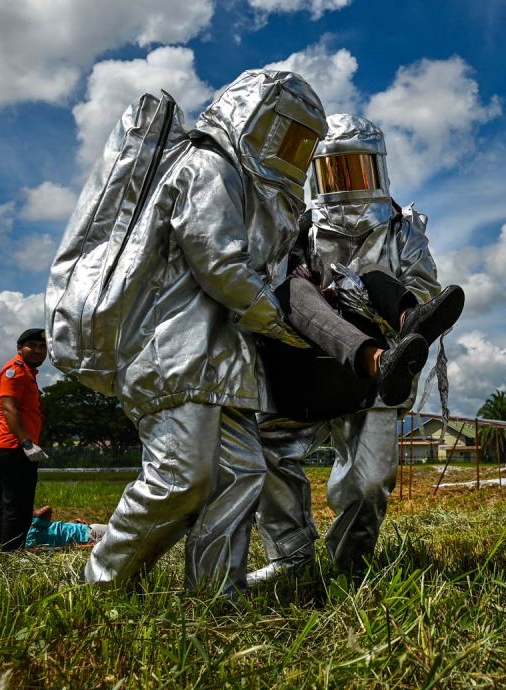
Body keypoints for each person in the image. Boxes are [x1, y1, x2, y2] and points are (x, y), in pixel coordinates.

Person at [82, 69, 331, 594]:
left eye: (300, 142)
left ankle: (216, 595)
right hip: (176, 356)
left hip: (229, 368)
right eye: (283, 132)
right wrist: (282, 323)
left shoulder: (254, 193)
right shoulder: (208, 165)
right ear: (253, 115)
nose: (289, 150)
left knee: (241, 478)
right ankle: (102, 586)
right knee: (180, 478)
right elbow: (219, 263)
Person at [249, 114, 464, 586]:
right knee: (263, 450)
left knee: (369, 484)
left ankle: (351, 568)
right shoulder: (299, 227)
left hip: (381, 374)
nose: (348, 183)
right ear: (316, 175)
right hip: (309, 364)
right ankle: (292, 558)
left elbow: (428, 287)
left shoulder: (402, 229)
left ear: (378, 168)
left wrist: (366, 298)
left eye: (358, 169)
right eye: (335, 171)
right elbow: (273, 289)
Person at [0, 327, 49, 552]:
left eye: (43, 347)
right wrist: (27, 443)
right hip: (12, 447)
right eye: (33, 346)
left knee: (7, 505)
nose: (38, 351)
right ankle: (10, 557)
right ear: (20, 348)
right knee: (19, 507)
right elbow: (9, 408)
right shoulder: (15, 371)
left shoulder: (26, 373)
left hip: (7, 447)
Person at [26, 505, 108, 548]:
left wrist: (71, 523)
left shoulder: (33, 525)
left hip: (89, 530)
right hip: (90, 538)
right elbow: (57, 549)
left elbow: (47, 509)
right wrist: (82, 547)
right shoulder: (27, 543)